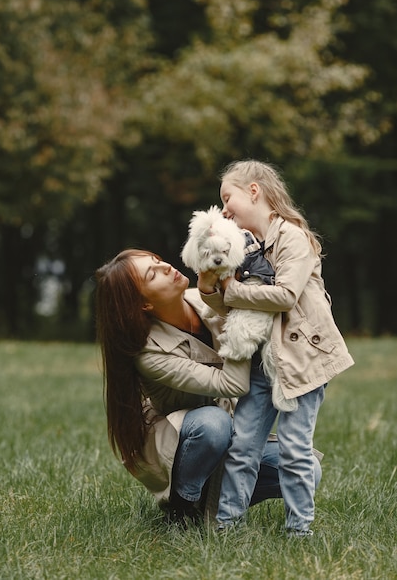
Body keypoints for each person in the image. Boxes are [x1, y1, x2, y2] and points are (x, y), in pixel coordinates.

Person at [94, 248, 322, 527]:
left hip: (230, 431)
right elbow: (233, 383)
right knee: (212, 425)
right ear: (144, 305)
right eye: (153, 274)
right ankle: (183, 505)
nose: (165, 266)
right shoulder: (149, 353)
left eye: (157, 260)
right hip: (190, 440)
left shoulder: (201, 298)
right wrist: (241, 320)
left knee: (309, 472)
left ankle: (213, 501)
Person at [197, 160, 354, 536]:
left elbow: (284, 296)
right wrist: (208, 288)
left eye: (227, 197)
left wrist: (230, 290)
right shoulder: (244, 245)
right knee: (243, 447)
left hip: (300, 362)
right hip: (262, 364)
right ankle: (228, 526)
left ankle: (300, 530)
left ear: (254, 191)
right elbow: (232, 304)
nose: (223, 210)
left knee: (295, 450)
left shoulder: (293, 238)